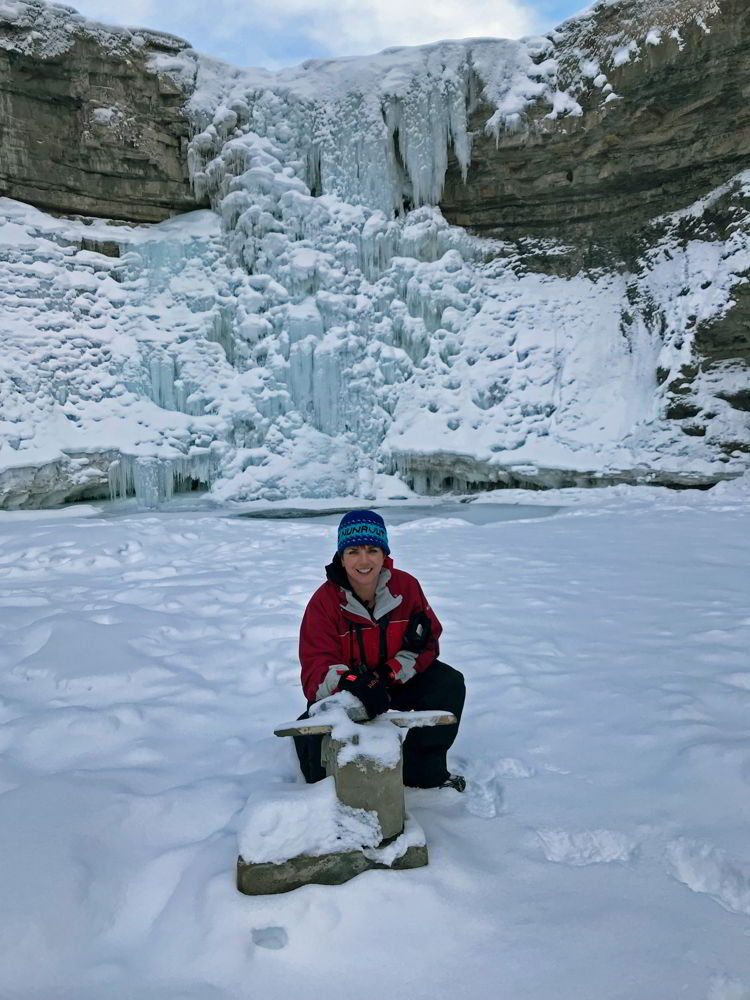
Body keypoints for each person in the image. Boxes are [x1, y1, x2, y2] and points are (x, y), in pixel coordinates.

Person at [295, 509, 466, 790]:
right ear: (341, 556)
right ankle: (323, 791)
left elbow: (427, 641)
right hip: (347, 691)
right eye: (353, 551)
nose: (364, 560)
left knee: (447, 684)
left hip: (392, 681)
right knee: (316, 749)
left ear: (384, 553)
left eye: (372, 550)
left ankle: (422, 773)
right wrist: (354, 683)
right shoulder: (323, 602)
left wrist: (388, 674)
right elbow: (316, 669)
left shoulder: (406, 587)